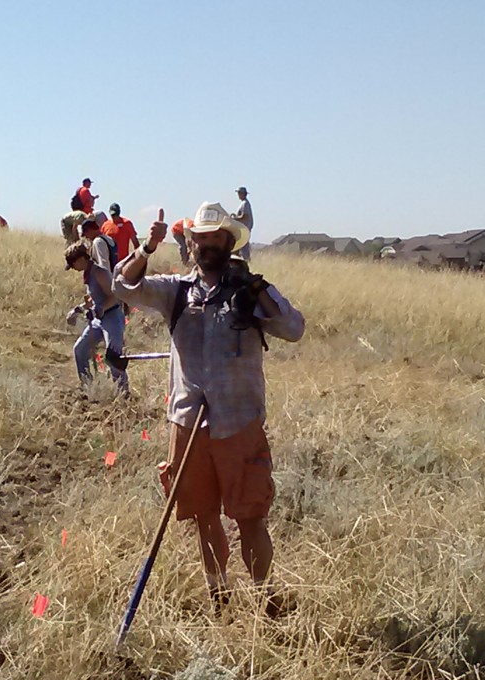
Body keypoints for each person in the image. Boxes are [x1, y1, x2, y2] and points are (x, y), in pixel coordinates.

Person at [112, 202, 305, 615]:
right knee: (203, 517)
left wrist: (255, 289)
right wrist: (146, 248)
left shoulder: (251, 291)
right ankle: (219, 597)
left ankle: (264, 599)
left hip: (239, 423)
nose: (205, 244)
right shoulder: (176, 291)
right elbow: (123, 287)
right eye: (198, 237)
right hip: (188, 422)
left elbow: (293, 328)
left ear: (229, 241)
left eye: (215, 237)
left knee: (250, 518)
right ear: (190, 242)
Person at [65, 241, 129, 397]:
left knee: (113, 356)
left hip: (112, 318)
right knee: (79, 350)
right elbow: (94, 300)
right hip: (98, 320)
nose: (74, 269)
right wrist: (77, 310)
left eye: (73, 265)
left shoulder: (99, 272)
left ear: (80, 259)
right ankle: (88, 387)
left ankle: (123, 394)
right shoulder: (88, 274)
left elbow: (114, 296)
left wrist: (100, 309)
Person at [231, 187, 253, 262]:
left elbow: (245, 216)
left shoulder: (245, 204)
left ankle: (246, 263)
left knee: (244, 248)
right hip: (244, 229)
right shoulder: (244, 203)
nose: (238, 195)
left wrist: (234, 219)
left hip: (244, 230)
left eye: (239, 193)